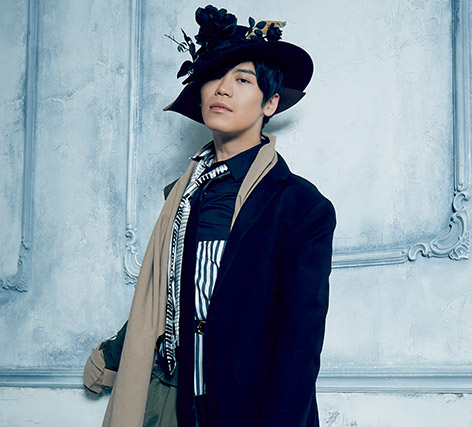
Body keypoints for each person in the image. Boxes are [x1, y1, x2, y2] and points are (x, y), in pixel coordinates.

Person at [83, 5, 336, 427]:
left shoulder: (301, 206)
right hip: (178, 402)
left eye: (242, 79)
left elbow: (300, 344)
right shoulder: (182, 198)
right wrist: (112, 357)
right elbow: (164, 298)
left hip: (250, 410)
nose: (222, 89)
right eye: (214, 77)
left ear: (270, 102)